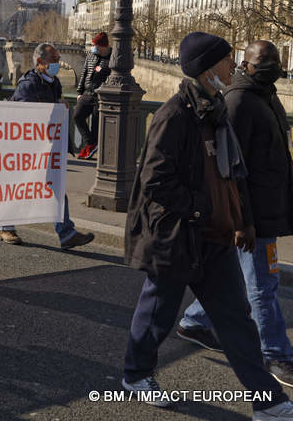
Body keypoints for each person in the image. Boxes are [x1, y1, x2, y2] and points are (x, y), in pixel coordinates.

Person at [121, 32, 293, 418]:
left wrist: (243, 222)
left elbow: (233, 175)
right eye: (227, 59)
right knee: (157, 312)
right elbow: (154, 181)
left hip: (214, 235)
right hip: (177, 234)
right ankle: (136, 375)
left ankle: (270, 403)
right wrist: (201, 210)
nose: (233, 65)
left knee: (237, 321)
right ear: (206, 68)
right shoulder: (174, 116)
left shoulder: (216, 111)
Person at [176, 40, 293, 388]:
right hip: (253, 213)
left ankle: (194, 321)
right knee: (263, 284)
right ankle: (275, 354)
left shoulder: (266, 95)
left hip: (266, 207)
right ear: (246, 63)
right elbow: (231, 168)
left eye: (275, 59)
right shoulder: (240, 100)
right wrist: (243, 219)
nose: (272, 65)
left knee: (245, 278)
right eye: (264, 59)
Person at [0, 43, 96, 249]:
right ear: (40, 62)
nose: (57, 64)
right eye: (54, 60)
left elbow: (55, 106)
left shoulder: (55, 83)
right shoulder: (28, 84)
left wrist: (62, 106)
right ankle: (5, 227)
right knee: (19, 186)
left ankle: (66, 233)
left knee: (56, 185)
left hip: (47, 145)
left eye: (58, 59)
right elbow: (23, 117)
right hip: (26, 148)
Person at [74, 32, 111, 160]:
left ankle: (90, 147)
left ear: (102, 46)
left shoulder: (112, 58)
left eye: (95, 45)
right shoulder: (91, 56)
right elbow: (84, 74)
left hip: (100, 96)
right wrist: (80, 92)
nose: (93, 48)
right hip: (87, 93)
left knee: (96, 126)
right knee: (77, 116)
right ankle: (90, 144)